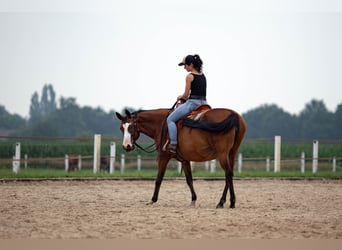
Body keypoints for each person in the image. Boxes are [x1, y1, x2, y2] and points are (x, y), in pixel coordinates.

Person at [166, 54, 208, 153]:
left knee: (170, 119)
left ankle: (173, 144)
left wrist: (180, 96)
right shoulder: (203, 75)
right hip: (204, 103)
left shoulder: (189, 76)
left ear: (191, 64)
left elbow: (185, 95)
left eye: (185, 65)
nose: (184, 68)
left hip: (193, 103)